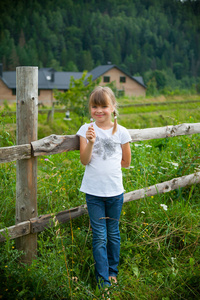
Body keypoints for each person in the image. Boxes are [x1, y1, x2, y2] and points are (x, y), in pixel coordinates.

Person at [76, 86, 132, 289]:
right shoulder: (86, 129)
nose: (99, 110)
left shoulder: (122, 132)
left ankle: (113, 271)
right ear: (90, 108)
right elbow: (84, 160)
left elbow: (126, 161)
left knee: (113, 232)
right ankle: (103, 280)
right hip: (94, 192)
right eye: (94, 106)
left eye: (103, 106)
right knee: (99, 235)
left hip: (115, 191)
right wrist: (91, 142)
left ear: (113, 107)